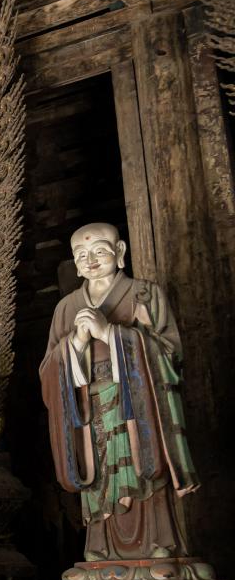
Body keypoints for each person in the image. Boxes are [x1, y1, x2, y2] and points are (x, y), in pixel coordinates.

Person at [38, 222, 200, 561]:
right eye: (82, 255)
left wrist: (111, 333)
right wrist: (75, 343)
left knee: (143, 467)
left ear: (121, 252)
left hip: (136, 402)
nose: (91, 260)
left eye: (100, 250)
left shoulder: (145, 294)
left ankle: (161, 545)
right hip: (89, 404)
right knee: (98, 474)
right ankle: (99, 547)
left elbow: (170, 353)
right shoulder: (66, 308)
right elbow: (47, 371)